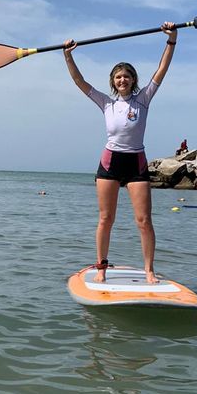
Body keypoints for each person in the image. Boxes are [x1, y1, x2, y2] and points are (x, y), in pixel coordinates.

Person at [63, 22, 179, 284]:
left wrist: (171, 39)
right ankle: (101, 266)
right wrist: (68, 56)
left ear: (133, 80)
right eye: (118, 77)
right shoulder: (106, 103)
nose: (122, 80)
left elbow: (162, 69)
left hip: (136, 162)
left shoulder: (144, 99)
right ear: (113, 82)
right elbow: (79, 82)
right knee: (106, 219)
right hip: (110, 162)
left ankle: (149, 270)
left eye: (127, 76)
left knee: (144, 220)